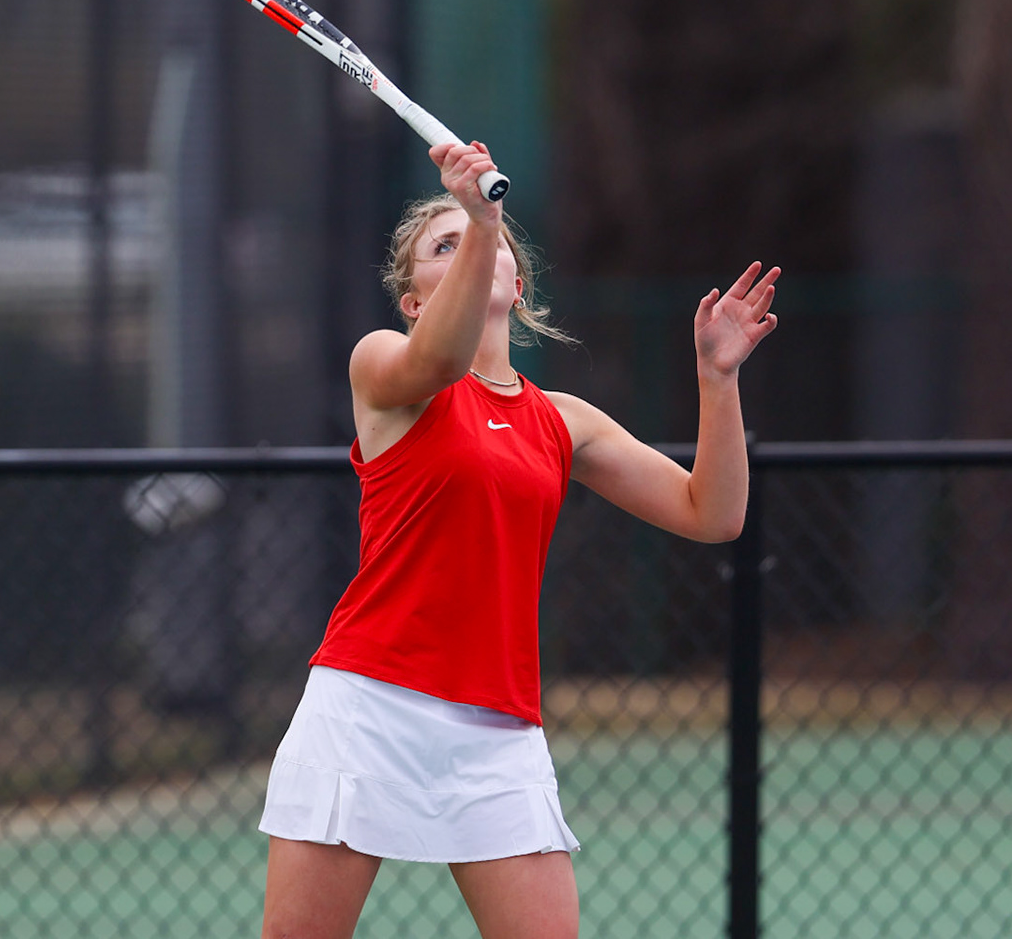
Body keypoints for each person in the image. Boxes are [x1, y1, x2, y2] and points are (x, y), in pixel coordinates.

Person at [259, 141, 779, 939]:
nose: (472, 244)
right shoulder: (385, 365)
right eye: (444, 245)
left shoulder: (564, 420)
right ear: (413, 302)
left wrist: (719, 380)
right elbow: (441, 360)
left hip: (498, 731)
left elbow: (712, 513)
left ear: (519, 282)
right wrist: (478, 218)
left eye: (485, 240)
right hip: (368, 707)